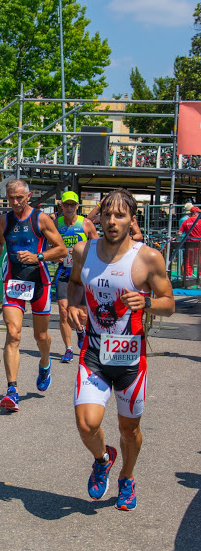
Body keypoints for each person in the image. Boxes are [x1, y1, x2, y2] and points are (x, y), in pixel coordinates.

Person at [67, 188, 174, 510]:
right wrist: (72, 306)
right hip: (94, 354)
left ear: (131, 220)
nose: (112, 221)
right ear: (98, 217)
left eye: (120, 215)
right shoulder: (83, 251)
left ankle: (127, 477)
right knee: (87, 424)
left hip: (130, 359)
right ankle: (103, 458)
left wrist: (147, 302)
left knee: (129, 430)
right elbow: (74, 284)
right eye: (107, 214)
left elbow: (169, 304)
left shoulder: (148, 258)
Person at [0, 179, 67, 412]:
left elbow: (61, 249)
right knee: (13, 334)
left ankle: (44, 362)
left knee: (41, 336)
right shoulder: (5, 219)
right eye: (11, 198)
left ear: (29, 195)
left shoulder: (41, 218)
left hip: (39, 280)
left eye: (20, 197)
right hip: (13, 281)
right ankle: (12, 390)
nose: (15, 202)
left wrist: (38, 257)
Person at [54, 191, 99, 363]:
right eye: (66, 204)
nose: (69, 208)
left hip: (83, 274)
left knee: (82, 314)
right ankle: (68, 349)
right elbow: (47, 245)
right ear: (62, 206)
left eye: (73, 205)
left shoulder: (86, 224)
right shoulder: (56, 224)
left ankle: (81, 332)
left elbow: (98, 246)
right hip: (64, 272)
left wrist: (83, 252)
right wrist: (55, 254)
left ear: (77, 207)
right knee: (64, 310)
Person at [179, 206, 201, 277]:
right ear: (194, 213)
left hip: (189, 245)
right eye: (198, 212)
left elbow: (179, 233)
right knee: (199, 262)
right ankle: (199, 279)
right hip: (199, 244)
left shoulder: (185, 222)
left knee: (188, 262)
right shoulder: (200, 221)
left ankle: (188, 280)